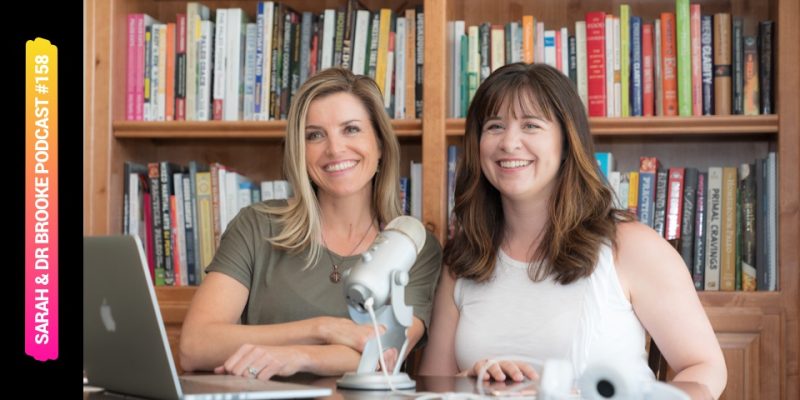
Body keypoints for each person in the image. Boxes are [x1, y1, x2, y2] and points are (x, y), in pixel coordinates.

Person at [418, 63, 726, 399]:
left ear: (566, 142)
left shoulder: (630, 246)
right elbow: (434, 388)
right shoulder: (462, 259)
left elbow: (705, 367)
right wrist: (467, 381)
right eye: (494, 126)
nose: (509, 142)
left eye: (531, 125)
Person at [179, 68, 442, 380]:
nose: (335, 149)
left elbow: (383, 354)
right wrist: (323, 329)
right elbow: (195, 346)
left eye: (351, 129)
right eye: (315, 135)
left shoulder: (411, 244)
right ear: (300, 151)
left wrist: (297, 356)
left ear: (380, 144)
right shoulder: (256, 226)